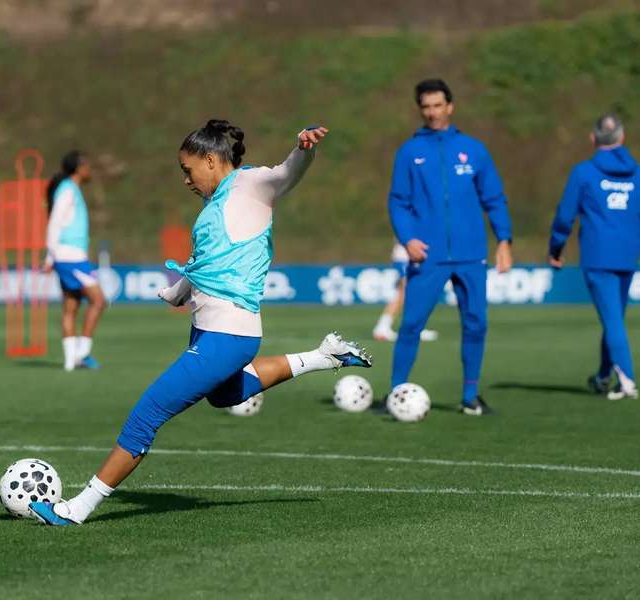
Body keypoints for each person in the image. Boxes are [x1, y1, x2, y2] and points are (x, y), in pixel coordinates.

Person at [29, 120, 372, 526]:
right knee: (226, 395)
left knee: (148, 413)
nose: (186, 180)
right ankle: (325, 356)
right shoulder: (214, 205)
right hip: (212, 330)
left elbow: (286, 173)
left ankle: (77, 508)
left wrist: (304, 148)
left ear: (211, 160)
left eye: (188, 169)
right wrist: (176, 293)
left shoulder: (250, 185)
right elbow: (207, 264)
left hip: (230, 334)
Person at [386, 79, 513, 416]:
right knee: (411, 324)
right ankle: (396, 393)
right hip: (428, 255)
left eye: (437, 105)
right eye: (426, 106)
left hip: (471, 254)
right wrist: (408, 238)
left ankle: (470, 397)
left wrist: (504, 239)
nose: (432, 112)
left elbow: (494, 198)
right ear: (420, 109)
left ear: (450, 106)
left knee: (476, 324)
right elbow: (398, 202)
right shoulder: (410, 152)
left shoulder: (474, 149)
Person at [548, 113, 639, 400]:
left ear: (593, 138)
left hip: (599, 257)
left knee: (612, 320)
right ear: (621, 138)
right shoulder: (637, 172)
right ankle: (603, 375)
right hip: (627, 256)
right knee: (613, 317)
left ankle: (626, 380)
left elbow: (565, 215)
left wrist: (556, 248)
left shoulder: (584, 172)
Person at [45, 151, 106, 371]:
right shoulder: (68, 190)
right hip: (69, 257)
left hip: (67, 256)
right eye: (87, 165)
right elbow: (54, 222)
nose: (90, 169)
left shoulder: (72, 189)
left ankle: (70, 362)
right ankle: (83, 352)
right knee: (99, 301)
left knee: (71, 306)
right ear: (78, 168)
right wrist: (50, 255)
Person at [372, 242, 439, 342]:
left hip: (412, 255)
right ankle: (382, 327)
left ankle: (413, 328)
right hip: (406, 256)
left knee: (413, 293)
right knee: (405, 292)